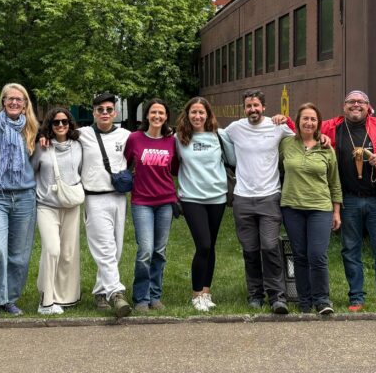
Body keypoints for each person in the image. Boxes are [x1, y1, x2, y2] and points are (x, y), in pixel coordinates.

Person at [321, 90, 376, 313]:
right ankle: (356, 298)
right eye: (351, 101)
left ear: (368, 107)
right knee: (350, 250)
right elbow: (304, 129)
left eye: (360, 102)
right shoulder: (333, 127)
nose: (355, 105)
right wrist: (285, 120)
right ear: (344, 106)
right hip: (348, 199)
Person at [223, 89, 294, 314]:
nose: (252, 110)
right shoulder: (234, 129)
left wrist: (288, 120)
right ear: (244, 109)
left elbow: (304, 137)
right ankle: (255, 294)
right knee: (250, 249)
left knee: (270, 246)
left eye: (256, 105)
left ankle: (277, 296)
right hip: (243, 199)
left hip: (269, 197)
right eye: (248, 106)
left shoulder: (277, 127)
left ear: (264, 106)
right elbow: (211, 135)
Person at [0, 83, 39, 319]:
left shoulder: (32, 127)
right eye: (10, 99)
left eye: (19, 99)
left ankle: (10, 299)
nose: (14, 102)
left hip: (24, 197)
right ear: (3, 101)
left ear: (25, 104)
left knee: (19, 255)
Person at [279, 102, 342, 314]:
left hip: (320, 208)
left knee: (317, 254)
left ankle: (322, 300)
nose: (309, 122)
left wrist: (336, 211)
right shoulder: (286, 144)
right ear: (297, 122)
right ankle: (304, 301)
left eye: (313, 119)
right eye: (305, 118)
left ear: (318, 124)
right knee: (299, 255)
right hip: (292, 207)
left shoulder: (327, 147)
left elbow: (334, 181)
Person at [174, 97, 234, 312]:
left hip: (217, 197)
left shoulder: (220, 136)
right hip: (191, 198)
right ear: (187, 115)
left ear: (208, 115)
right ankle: (196, 294)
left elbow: (234, 159)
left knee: (211, 247)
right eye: (194, 112)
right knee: (204, 245)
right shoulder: (179, 138)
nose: (198, 116)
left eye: (202, 112)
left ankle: (206, 293)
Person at [77, 93, 132, 317]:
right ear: (94, 112)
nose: (105, 113)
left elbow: (146, 143)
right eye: (100, 110)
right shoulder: (82, 135)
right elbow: (56, 134)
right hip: (94, 196)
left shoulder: (127, 135)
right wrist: (44, 136)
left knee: (115, 249)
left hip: (118, 197)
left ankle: (100, 291)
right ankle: (116, 294)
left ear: (115, 113)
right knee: (105, 248)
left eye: (109, 109)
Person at [124, 98, 178, 313]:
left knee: (159, 251)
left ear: (166, 117)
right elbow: (125, 163)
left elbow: (174, 169)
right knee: (145, 250)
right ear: (146, 115)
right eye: (153, 112)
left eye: (161, 113)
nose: (157, 116)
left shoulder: (171, 141)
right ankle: (140, 298)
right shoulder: (135, 139)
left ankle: (155, 296)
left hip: (165, 201)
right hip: (142, 202)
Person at [32, 107, 83, 315]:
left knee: (68, 254)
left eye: (64, 122)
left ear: (70, 124)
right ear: (49, 126)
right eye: (56, 123)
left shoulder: (79, 145)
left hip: (71, 204)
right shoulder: (42, 146)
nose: (61, 125)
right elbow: (32, 169)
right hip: (46, 205)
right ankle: (46, 300)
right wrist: (41, 136)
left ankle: (66, 297)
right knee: (52, 249)